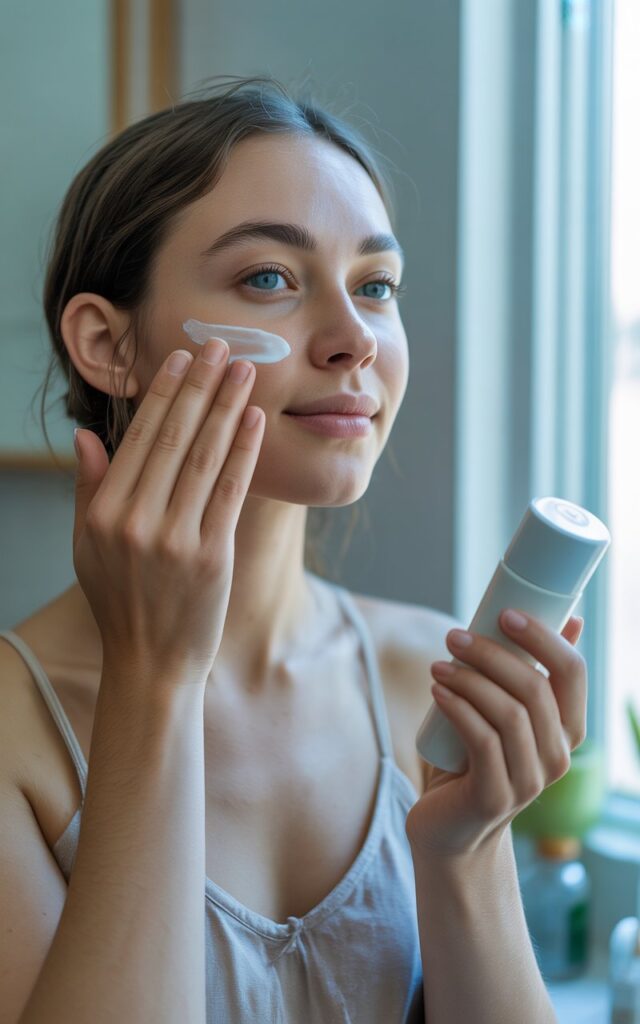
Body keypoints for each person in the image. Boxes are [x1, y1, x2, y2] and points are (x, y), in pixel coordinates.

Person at [0, 76, 585, 1023]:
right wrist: (154, 683)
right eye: (269, 277)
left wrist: (464, 851)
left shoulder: (424, 686)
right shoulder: (14, 737)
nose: (355, 338)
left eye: (376, 286)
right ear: (108, 342)